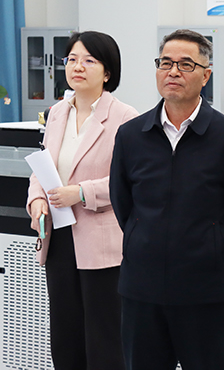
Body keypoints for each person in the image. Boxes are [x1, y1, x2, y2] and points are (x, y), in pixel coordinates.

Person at [109, 29, 224, 370]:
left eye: (186, 64)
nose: (173, 72)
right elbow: (122, 202)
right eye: (165, 63)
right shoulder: (131, 135)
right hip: (141, 289)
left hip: (206, 291)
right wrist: (142, 238)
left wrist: (212, 245)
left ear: (206, 75)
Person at [26, 31, 138, 370]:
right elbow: (44, 166)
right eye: (72, 59)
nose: (77, 66)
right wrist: (37, 200)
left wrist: (82, 192)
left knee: (104, 337)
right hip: (59, 236)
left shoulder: (124, 117)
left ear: (107, 72)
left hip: (101, 243)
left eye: (89, 60)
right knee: (65, 333)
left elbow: (131, 180)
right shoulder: (57, 113)